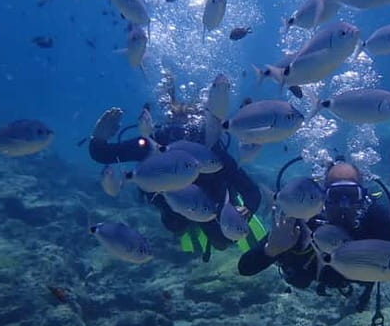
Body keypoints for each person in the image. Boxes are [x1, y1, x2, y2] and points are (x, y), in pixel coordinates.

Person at [238, 158, 390, 326]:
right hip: (305, 286)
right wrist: (272, 249)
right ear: (322, 196)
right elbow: (245, 268)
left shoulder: (377, 220)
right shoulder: (301, 221)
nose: (344, 204)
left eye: (351, 195)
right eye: (336, 195)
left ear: (364, 196)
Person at [87, 104, 265, 261]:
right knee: (176, 227)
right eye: (174, 130)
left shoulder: (211, 152)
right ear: (166, 127)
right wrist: (98, 137)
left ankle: (223, 213)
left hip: (212, 206)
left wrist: (247, 209)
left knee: (222, 241)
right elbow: (102, 154)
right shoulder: (153, 143)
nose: (181, 136)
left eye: (186, 131)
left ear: (199, 131)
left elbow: (251, 190)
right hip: (174, 208)